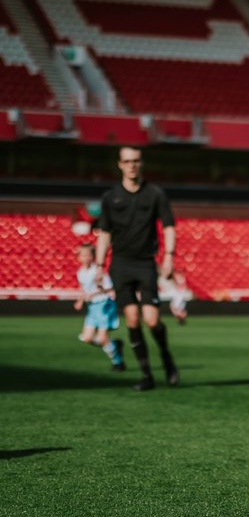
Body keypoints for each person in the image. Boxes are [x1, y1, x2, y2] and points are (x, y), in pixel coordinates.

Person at [95, 146, 179, 391]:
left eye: (136, 161)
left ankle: (166, 357)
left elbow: (169, 226)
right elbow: (105, 233)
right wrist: (100, 265)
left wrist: (169, 257)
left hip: (145, 263)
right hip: (120, 264)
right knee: (132, 319)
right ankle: (146, 375)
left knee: (152, 320)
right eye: (127, 161)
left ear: (141, 164)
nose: (132, 165)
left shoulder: (154, 194)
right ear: (120, 164)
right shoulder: (110, 197)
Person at [74, 242, 125, 371]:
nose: (86, 258)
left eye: (88, 255)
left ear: (93, 256)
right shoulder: (80, 272)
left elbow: (109, 288)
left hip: (104, 305)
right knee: (86, 338)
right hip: (92, 307)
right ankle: (114, 344)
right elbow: (83, 288)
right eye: (83, 255)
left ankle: (118, 362)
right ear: (78, 257)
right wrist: (80, 300)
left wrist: (95, 293)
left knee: (102, 338)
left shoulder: (98, 271)